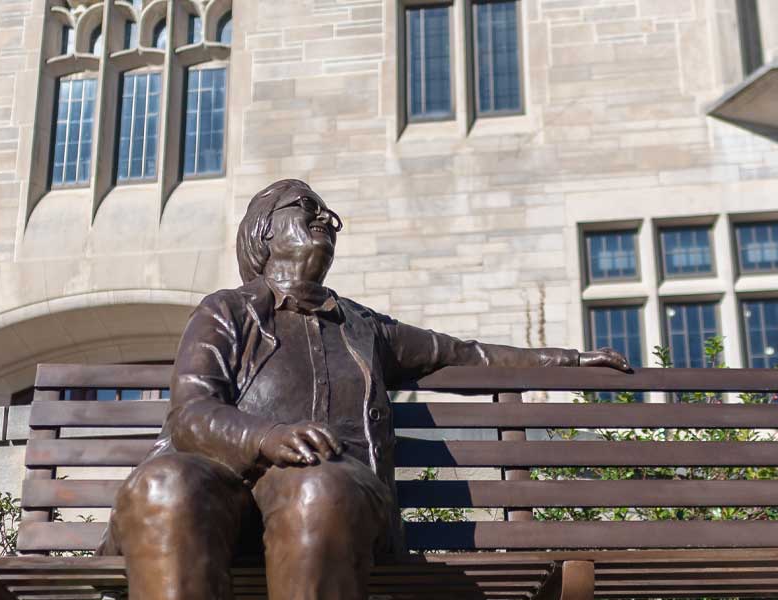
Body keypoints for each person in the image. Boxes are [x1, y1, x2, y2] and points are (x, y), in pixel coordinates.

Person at [105, 179, 631, 600]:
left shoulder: (363, 328)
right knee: (165, 483)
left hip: (334, 500)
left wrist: (570, 358)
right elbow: (191, 414)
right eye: (306, 206)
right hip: (223, 493)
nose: (324, 219)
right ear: (263, 232)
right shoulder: (226, 311)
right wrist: (266, 436)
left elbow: (467, 353)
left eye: (329, 215)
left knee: (317, 487)